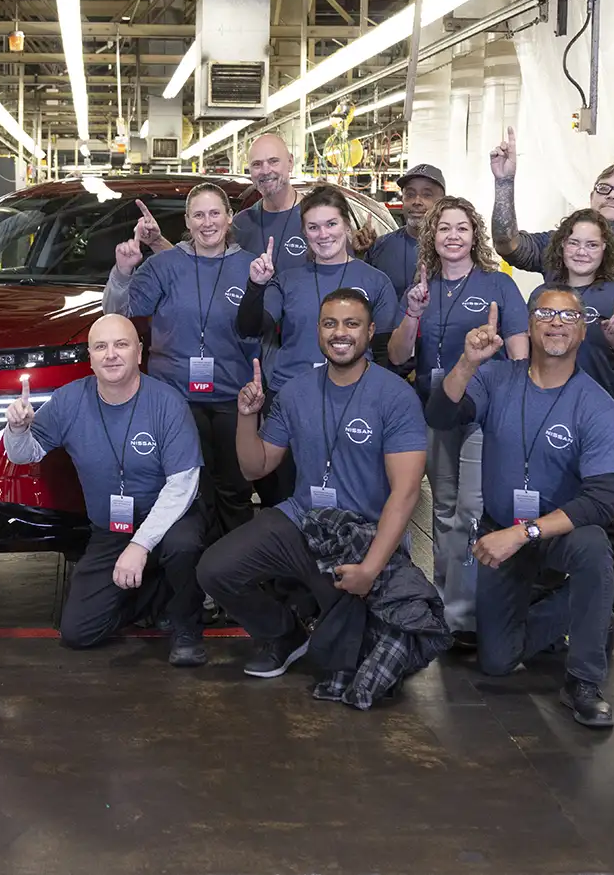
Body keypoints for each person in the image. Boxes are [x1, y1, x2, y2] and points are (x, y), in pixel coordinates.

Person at [197, 289, 428, 680]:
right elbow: (256, 468)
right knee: (214, 570)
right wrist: (246, 417)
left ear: (370, 332)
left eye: (351, 324)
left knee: (353, 665)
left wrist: (370, 569)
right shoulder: (296, 391)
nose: (340, 333)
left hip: (360, 534)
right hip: (302, 521)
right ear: (318, 332)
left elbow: (405, 494)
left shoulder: (396, 397)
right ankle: (283, 634)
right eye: (330, 324)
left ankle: (334, 618)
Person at [426, 288, 614, 728]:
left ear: (582, 328)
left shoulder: (596, 404)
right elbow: (441, 415)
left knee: (593, 548)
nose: (556, 322)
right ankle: (581, 613)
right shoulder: (497, 379)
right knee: (496, 662)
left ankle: (584, 682)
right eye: (545, 313)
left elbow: (601, 500)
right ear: (530, 324)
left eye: (567, 316)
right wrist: (467, 363)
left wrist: (523, 533)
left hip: (557, 533)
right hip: (502, 529)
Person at [2, 314, 209, 665]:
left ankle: (187, 625)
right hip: (112, 528)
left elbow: (183, 484)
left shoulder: (167, 403)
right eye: (101, 347)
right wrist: (17, 430)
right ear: (91, 357)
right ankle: (156, 591)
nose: (111, 354)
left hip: (171, 521)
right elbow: (25, 455)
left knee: (182, 546)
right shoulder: (70, 400)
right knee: (78, 632)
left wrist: (140, 545)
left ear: (139, 353)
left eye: (121, 344)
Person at [388, 195, 529, 641]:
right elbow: (397, 356)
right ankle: (449, 605)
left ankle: (465, 614)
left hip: (482, 416)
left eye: (462, 228)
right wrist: (412, 311)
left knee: (470, 509)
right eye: (444, 227)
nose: (452, 236)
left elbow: (521, 353)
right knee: (443, 510)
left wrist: (518, 409)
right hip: (433, 411)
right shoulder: (418, 289)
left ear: (474, 236)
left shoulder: (497, 285)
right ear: (433, 235)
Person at [103, 183, 257, 541]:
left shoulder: (251, 267)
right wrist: (122, 272)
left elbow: (261, 331)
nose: (207, 223)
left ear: (229, 218)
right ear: (187, 221)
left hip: (234, 397)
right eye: (198, 215)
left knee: (234, 490)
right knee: (190, 492)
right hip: (176, 399)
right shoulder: (163, 265)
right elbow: (117, 315)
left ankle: (236, 574)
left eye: (215, 213)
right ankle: (195, 575)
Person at [237, 186, 397, 506]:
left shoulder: (375, 281)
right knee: (281, 496)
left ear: (347, 226)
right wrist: (256, 286)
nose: (323, 234)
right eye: (313, 227)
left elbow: (385, 354)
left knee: (348, 501)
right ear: (304, 233)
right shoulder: (288, 280)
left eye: (331, 224)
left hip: (351, 404)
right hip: (290, 400)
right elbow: (250, 327)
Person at [529, 209, 614, 612]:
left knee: (600, 513)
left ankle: (606, 605)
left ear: (605, 250)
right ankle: (545, 591)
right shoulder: (543, 297)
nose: (582, 251)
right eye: (575, 242)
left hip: (604, 424)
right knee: (549, 503)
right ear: (562, 246)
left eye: (592, 244)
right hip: (548, 420)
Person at [489, 129, 614, 337]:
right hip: (550, 363)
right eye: (604, 189)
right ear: (592, 197)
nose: (611, 196)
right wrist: (504, 183)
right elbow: (506, 244)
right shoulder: (558, 242)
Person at [366, 163, 445, 301]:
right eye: (410, 194)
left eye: (427, 195)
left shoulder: (454, 249)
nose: (417, 201)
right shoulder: (381, 247)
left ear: (442, 202)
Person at [232, 133, 308, 272]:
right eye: (257, 164)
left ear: (290, 162)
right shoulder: (240, 225)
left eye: (273, 161)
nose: (265, 171)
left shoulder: (318, 219)